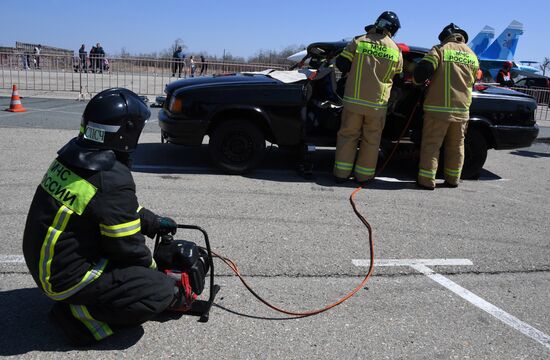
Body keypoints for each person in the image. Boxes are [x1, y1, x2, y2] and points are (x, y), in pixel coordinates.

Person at [22, 88, 201, 346]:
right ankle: (79, 317)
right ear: (125, 131)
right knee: (158, 292)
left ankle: (81, 300)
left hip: (47, 266)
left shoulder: (72, 158)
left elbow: (107, 209)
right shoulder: (111, 176)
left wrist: (151, 221)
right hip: (65, 280)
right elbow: (128, 249)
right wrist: (158, 278)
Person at [333, 11, 403, 184]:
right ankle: (364, 176)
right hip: (377, 106)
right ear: (392, 29)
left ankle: (341, 174)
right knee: (371, 141)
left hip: (354, 102)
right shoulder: (395, 49)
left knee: (348, 136)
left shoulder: (359, 41)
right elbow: (399, 79)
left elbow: (341, 64)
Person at [413, 23, 479, 190]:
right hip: (462, 110)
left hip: (438, 110)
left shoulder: (440, 49)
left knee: (432, 145)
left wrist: (417, 80)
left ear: (445, 36)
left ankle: (427, 181)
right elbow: (473, 80)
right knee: (456, 146)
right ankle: (453, 179)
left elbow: (423, 71)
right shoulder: (472, 55)